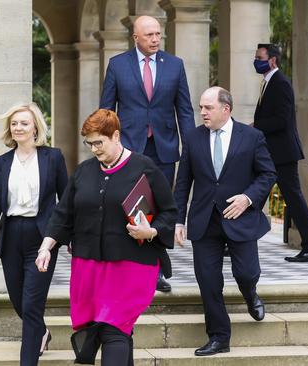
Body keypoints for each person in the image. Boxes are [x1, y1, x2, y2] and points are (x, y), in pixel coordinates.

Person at [36, 109, 177, 366]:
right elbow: (62, 214)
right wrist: (46, 246)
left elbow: (169, 212)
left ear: (116, 136)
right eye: (89, 144)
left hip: (131, 264)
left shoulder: (145, 167)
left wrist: (151, 231)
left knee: (113, 327)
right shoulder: (83, 171)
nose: (94, 149)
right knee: (110, 328)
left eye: (98, 142)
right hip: (88, 264)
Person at [174, 87, 276, 356]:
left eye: (208, 108)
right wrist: (178, 220)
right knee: (208, 280)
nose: (202, 113)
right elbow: (183, 182)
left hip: (240, 217)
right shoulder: (193, 137)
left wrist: (248, 198)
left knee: (246, 272)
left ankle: (250, 292)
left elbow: (267, 174)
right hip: (204, 221)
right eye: (201, 108)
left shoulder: (252, 137)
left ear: (226, 109)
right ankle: (219, 336)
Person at [100, 15, 195, 292]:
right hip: (130, 148)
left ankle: (155, 269)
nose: (155, 39)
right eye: (150, 35)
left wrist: (191, 147)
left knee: (161, 209)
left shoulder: (175, 65)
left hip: (164, 147)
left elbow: (185, 109)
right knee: (134, 208)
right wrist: (105, 146)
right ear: (136, 38)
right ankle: (136, 265)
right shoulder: (118, 65)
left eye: (158, 34)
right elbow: (107, 110)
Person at [0, 102, 68, 366]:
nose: (18, 128)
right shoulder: (2, 163)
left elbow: (66, 200)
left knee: (32, 304)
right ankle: (42, 332)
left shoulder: (53, 157)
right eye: (14, 123)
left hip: (43, 239)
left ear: (35, 126)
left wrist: (67, 237)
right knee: (18, 300)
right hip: (12, 235)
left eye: (24, 123)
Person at [253, 43, 308, 262]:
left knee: (294, 199)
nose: (256, 61)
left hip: (282, 154)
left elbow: (282, 120)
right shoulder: (269, 82)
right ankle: (238, 240)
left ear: (272, 60)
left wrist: (256, 126)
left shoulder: (280, 83)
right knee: (255, 196)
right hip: (272, 153)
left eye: (260, 57)